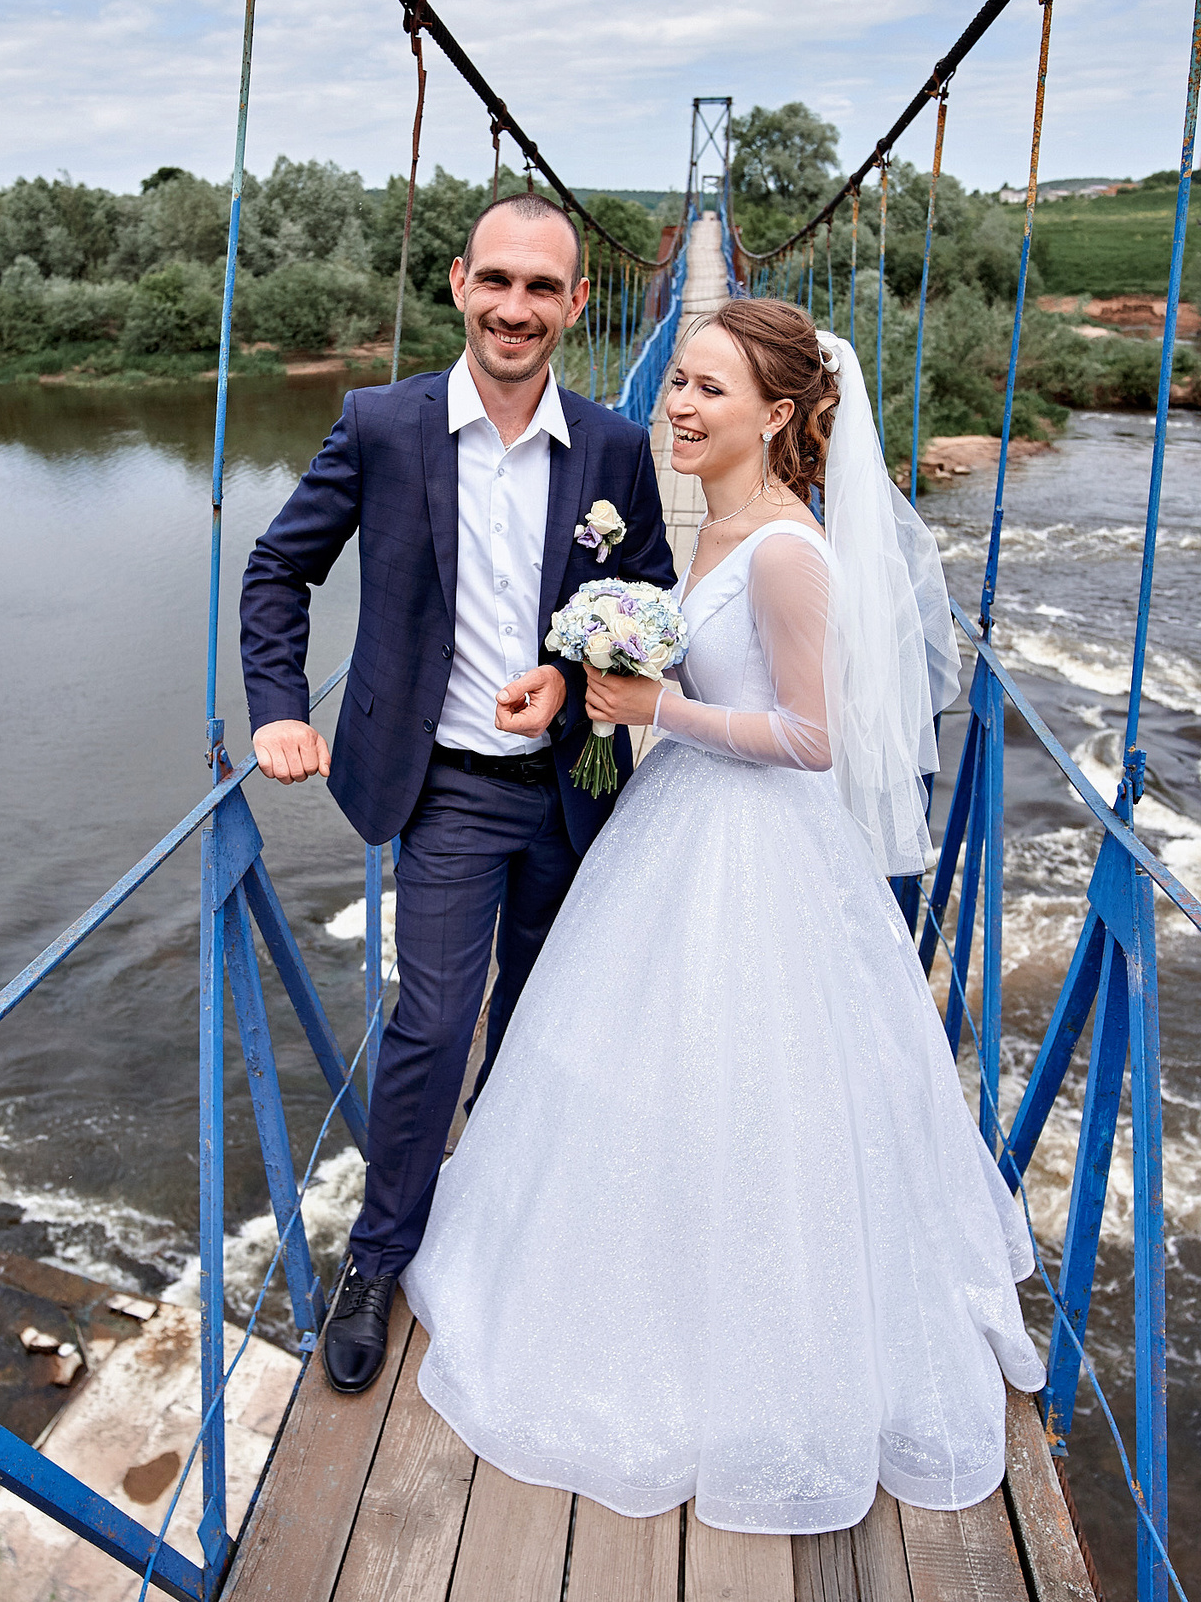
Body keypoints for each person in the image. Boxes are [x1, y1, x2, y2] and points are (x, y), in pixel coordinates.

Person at [400, 297, 1046, 1532]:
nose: (676, 407)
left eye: (706, 389)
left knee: (753, 1087)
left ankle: (749, 1349)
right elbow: (696, 670)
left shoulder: (789, 550)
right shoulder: (714, 527)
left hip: (753, 843)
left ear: (780, 415)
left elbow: (808, 740)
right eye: (676, 383)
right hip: (681, 824)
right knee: (637, 1068)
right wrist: (595, 683)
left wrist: (656, 713)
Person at [237, 192, 678, 1395]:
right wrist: (279, 706)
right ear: (457, 284)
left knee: (542, 1017)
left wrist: (583, 672)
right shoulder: (379, 426)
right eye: (498, 282)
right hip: (445, 788)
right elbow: (280, 568)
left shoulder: (616, 447)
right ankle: (377, 1259)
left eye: (544, 288)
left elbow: (650, 597)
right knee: (433, 1021)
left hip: (578, 783)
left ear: (578, 303)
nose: (516, 308)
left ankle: (504, 1210)